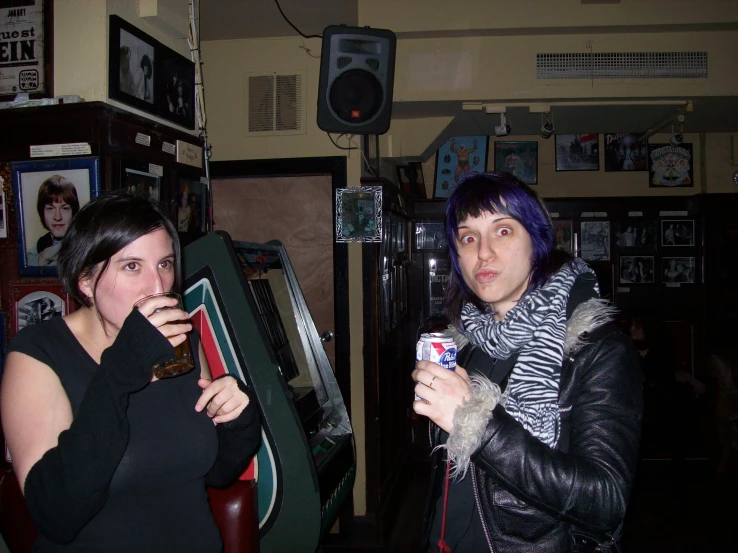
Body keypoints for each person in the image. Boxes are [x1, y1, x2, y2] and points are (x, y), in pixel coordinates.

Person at [1, 191, 261, 552]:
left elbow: (215, 472)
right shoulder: (39, 353)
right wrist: (120, 370)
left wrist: (239, 421)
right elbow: (56, 513)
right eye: (132, 266)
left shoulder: (179, 339)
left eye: (165, 264)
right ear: (86, 281)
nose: (158, 286)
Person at [412, 172, 642, 553]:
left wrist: (475, 421)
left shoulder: (600, 351)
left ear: (536, 242)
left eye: (502, 231)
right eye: (468, 238)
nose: (483, 252)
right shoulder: (465, 342)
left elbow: (605, 500)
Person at [28, 174, 79, 266]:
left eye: (65, 208)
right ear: (42, 212)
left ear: (74, 212)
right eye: (50, 209)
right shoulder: (40, 244)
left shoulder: (84, 242)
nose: (57, 217)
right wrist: (43, 257)